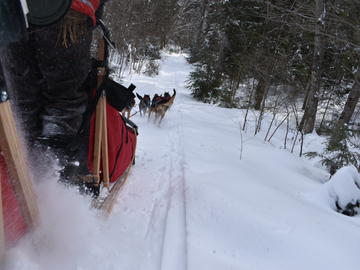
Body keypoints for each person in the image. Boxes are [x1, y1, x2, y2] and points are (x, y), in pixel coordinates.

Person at [0, 0, 107, 183]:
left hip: (12, 14)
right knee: (64, 102)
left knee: (22, 102)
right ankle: (50, 182)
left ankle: (24, 181)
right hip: (70, 14)